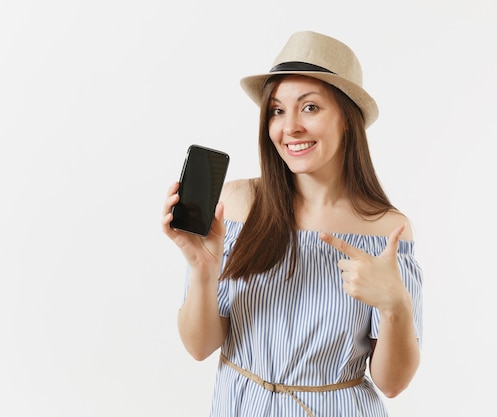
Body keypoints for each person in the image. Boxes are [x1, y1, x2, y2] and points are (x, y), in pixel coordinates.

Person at [162, 30, 423, 417]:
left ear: (347, 119)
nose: (290, 128)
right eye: (277, 110)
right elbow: (200, 347)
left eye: (311, 107)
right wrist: (202, 270)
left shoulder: (385, 229)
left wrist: (396, 306)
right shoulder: (237, 204)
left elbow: (391, 383)